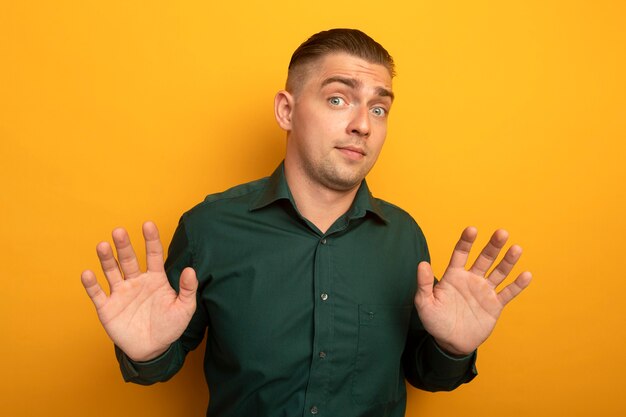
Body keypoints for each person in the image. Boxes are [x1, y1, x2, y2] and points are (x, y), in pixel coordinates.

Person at [81, 28, 532, 417]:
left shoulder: (404, 238)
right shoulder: (209, 228)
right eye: (338, 98)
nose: (363, 125)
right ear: (287, 110)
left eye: (379, 109)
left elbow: (424, 373)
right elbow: (168, 353)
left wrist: (453, 350)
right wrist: (150, 353)